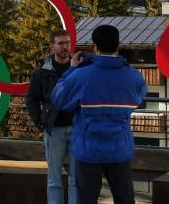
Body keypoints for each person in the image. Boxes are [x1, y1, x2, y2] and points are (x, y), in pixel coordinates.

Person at [52, 25, 147, 204]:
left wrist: (72, 69)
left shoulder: (81, 75)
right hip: (120, 148)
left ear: (94, 47)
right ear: (118, 45)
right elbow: (139, 97)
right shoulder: (133, 76)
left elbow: (59, 98)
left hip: (88, 150)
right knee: (125, 199)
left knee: (86, 200)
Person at [26, 29, 78, 204]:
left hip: (77, 128)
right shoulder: (42, 72)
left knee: (76, 178)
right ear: (52, 46)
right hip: (53, 129)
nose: (65, 47)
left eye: (68, 43)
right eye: (61, 43)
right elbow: (32, 100)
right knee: (54, 178)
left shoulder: (78, 69)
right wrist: (41, 124)